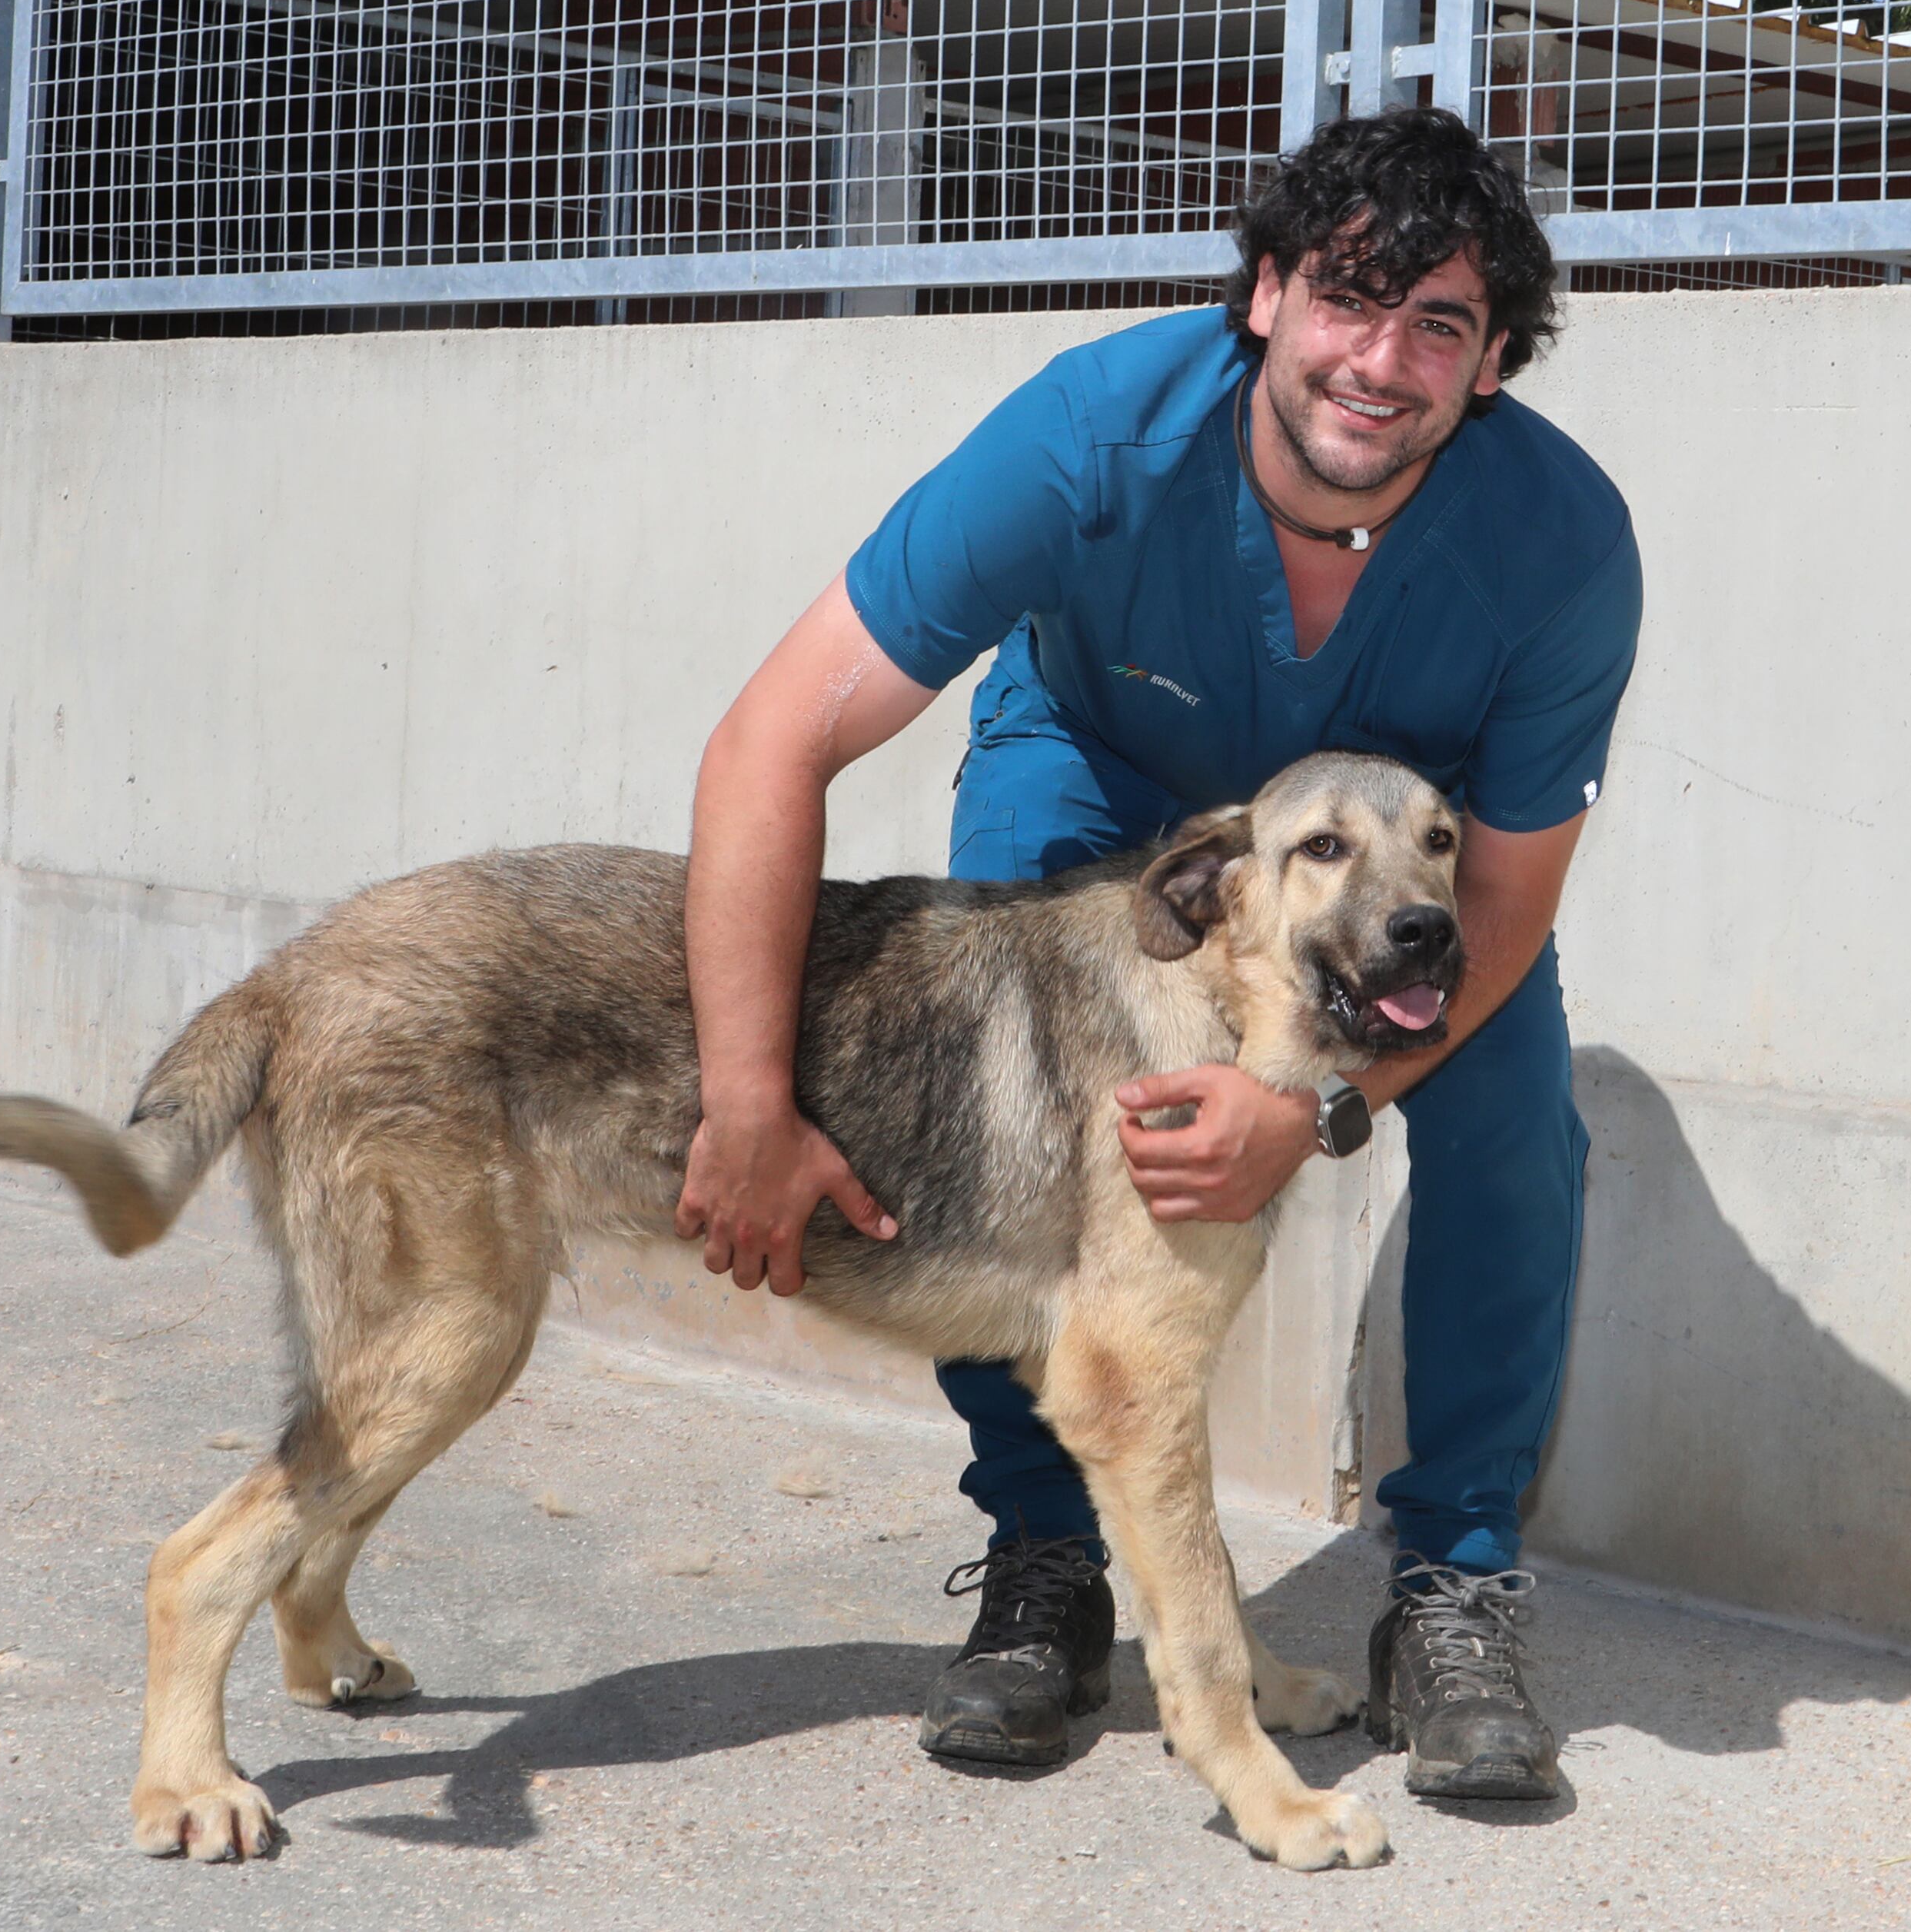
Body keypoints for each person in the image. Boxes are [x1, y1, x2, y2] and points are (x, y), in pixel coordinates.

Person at [673, 103, 1643, 1802]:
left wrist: (1320, 1110)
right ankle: (1048, 1561)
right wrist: (748, 1098)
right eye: (1347, 295)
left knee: (1511, 1116)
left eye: (1441, 323)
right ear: (1261, 294)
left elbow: (1501, 896)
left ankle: (1453, 1582)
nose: (1382, 359)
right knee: (1001, 1092)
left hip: (1390, 855)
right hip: (1098, 762)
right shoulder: (1086, 439)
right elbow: (770, 742)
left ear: (1490, 366)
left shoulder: (1557, 540)